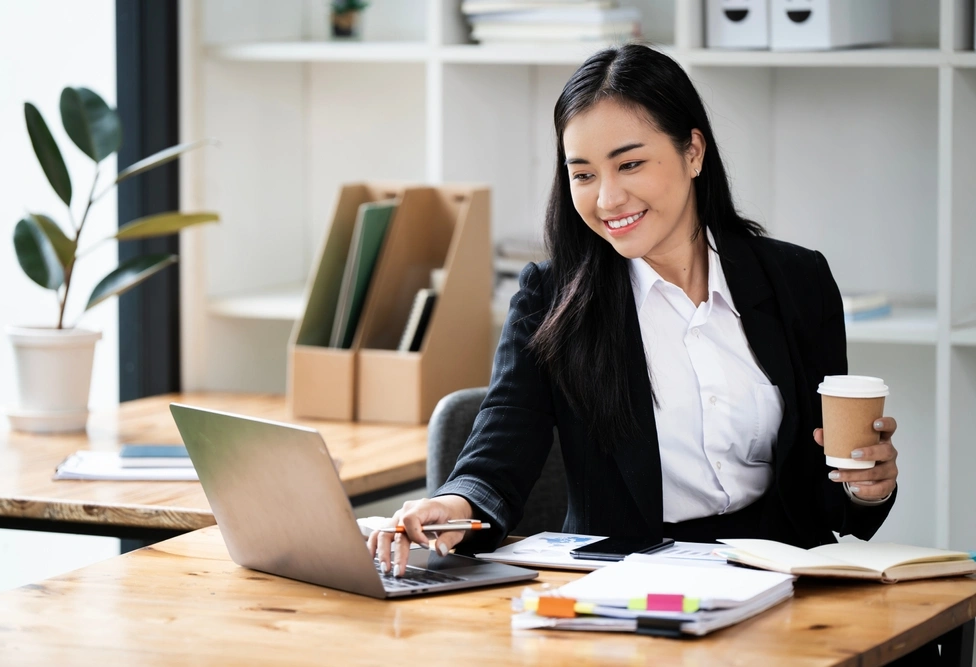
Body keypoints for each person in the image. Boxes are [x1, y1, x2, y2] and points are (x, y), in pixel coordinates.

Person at [369, 43, 900, 578]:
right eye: (584, 174)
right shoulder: (550, 299)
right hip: (626, 589)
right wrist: (455, 505)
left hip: (783, 580)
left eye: (630, 164)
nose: (607, 199)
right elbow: (502, 444)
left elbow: (829, 488)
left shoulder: (797, 281)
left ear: (693, 152)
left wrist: (865, 488)